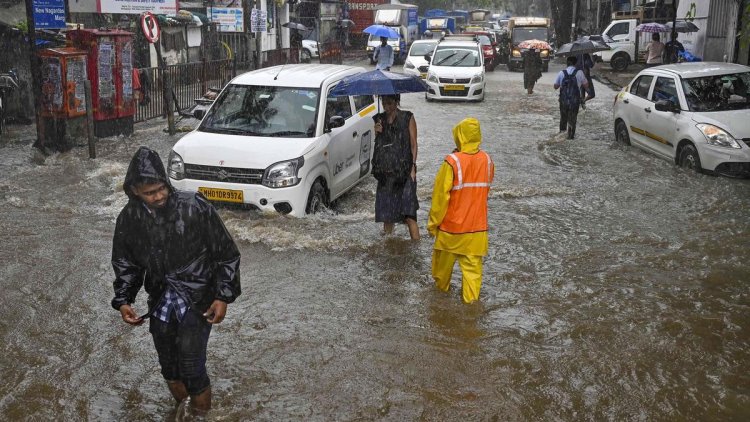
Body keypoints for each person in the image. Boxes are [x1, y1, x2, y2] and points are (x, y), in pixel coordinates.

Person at [111, 146, 241, 415]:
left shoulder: (194, 206)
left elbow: (226, 254)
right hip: (160, 300)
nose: (158, 196)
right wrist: (124, 300)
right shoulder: (130, 217)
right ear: (135, 191)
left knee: (193, 368)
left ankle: (201, 415)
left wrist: (222, 296)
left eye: (161, 189)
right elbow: (126, 262)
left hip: (197, 298)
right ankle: (184, 413)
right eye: (149, 193)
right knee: (169, 368)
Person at [427, 118, 494, 304]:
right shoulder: (488, 161)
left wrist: (433, 225)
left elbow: (440, 198)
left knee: (441, 280)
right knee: (473, 283)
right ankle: (471, 318)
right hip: (477, 233)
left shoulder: (451, 162)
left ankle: (440, 313)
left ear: (459, 135)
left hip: (451, 232)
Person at [372, 94, 419, 239]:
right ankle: (388, 246)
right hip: (386, 173)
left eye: (390, 103)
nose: (387, 107)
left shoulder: (408, 117)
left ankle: (415, 249)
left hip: (404, 172)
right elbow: (380, 147)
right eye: (384, 103)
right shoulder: (379, 119)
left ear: (397, 102)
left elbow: (413, 143)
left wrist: (412, 167)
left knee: (409, 215)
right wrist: (377, 132)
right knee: (387, 216)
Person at [554, 55, 589, 139]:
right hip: (574, 101)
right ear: (575, 63)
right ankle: (570, 136)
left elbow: (555, 86)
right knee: (572, 119)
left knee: (563, 118)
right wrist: (584, 76)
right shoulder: (580, 72)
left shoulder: (561, 72)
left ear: (567, 63)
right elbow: (586, 86)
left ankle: (561, 136)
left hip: (563, 101)